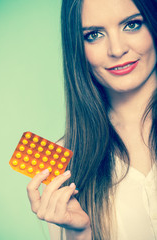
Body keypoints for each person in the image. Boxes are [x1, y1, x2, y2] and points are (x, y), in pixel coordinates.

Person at [27, 0, 157, 239]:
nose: (116, 49)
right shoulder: (61, 160)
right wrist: (81, 233)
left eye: (132, 24)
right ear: (77, 45)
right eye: (94, 34)